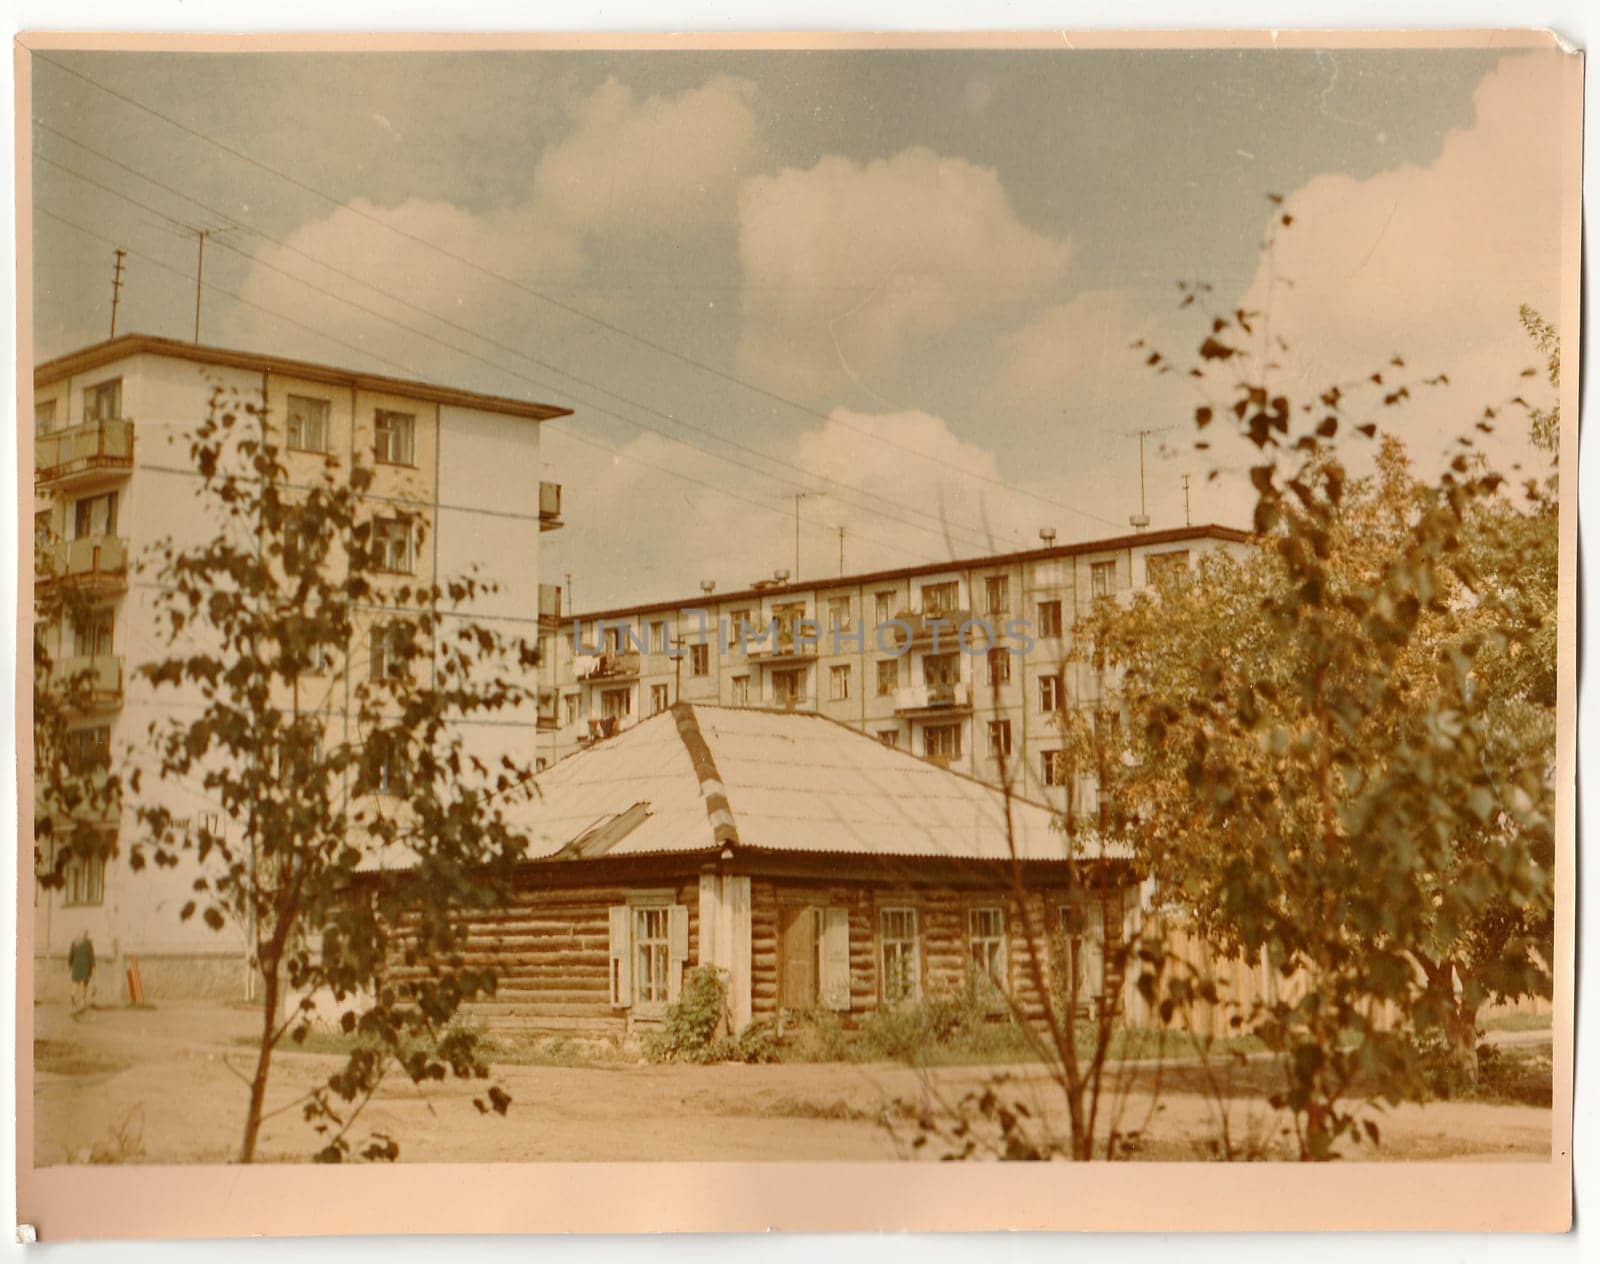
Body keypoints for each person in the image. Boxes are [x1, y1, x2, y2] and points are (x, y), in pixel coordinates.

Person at [68, 931, 95, 1013]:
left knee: (76, 982)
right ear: (85, 935)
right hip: (86, 965)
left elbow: (71, 955)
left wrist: (69, 964)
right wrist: (93, 965)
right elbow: (91, 955)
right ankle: (82, 1000)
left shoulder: (74, 942)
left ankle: (72, 994)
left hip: (76, 965)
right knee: (85, 984)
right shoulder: (88, 943)